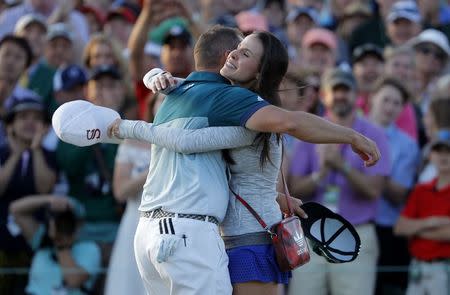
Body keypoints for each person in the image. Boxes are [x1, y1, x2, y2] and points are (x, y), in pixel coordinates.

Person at [108, 22, 380, 295]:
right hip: (231, 239)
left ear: (260, 73)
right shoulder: (230, 101)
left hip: (252, 241)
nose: (234, 54)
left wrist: (352, 137)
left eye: (246, 54)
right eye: (237, 48)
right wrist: (157, 77)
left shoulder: (245, 105)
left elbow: (291, 122)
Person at [287, 68, 391, 295]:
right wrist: (321, 174)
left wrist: (341, 166)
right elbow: (294, 187)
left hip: (357, 232)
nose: (341, 96)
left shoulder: (374, 134)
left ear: (356, 95)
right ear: (324, 95)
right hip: (312, 231)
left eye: (346, 90)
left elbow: (374, 191)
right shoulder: (310, 129)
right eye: (336, 90)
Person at [104, 95, 163, 295]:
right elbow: (120, 192)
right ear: (151, 105)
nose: (165, 104)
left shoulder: (187, 141)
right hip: (135, 223)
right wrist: (152, 172)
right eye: (161, 100)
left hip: (169, 226)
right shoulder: (132, 141)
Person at [0, 97, 57, 294]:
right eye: (23, 117)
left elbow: (44, 188)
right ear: (10, 125)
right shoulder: (2, 153)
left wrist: (36, 151)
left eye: (36, 118)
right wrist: (16, 154)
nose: (30, 123)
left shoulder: (49, 155)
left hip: (33, 239)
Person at [368, 77, 420, 295]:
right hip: (350, 221)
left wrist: (367, 171)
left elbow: (398, 193)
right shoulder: (349, 130)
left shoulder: (407, 145)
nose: (390, 107)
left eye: (396, 103)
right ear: (372, 99)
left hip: (386, 228)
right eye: (386, 100)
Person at [9, 194, 101, 295]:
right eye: (57, 221)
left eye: (66, 221)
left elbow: (73, 281)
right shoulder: (42, 239)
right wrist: (50, 200)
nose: (61, 226)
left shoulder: (90, 248)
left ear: (78, 224)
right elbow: (15, 210)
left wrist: (61, 244)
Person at [394, 133, 450, 295]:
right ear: (431, 156)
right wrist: (431, 222)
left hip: (444, 269)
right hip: (417, 267)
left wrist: (416, 229)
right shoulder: (421, 190)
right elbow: (400, 228)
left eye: (448, 152)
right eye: (439, 152)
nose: (443, 156)